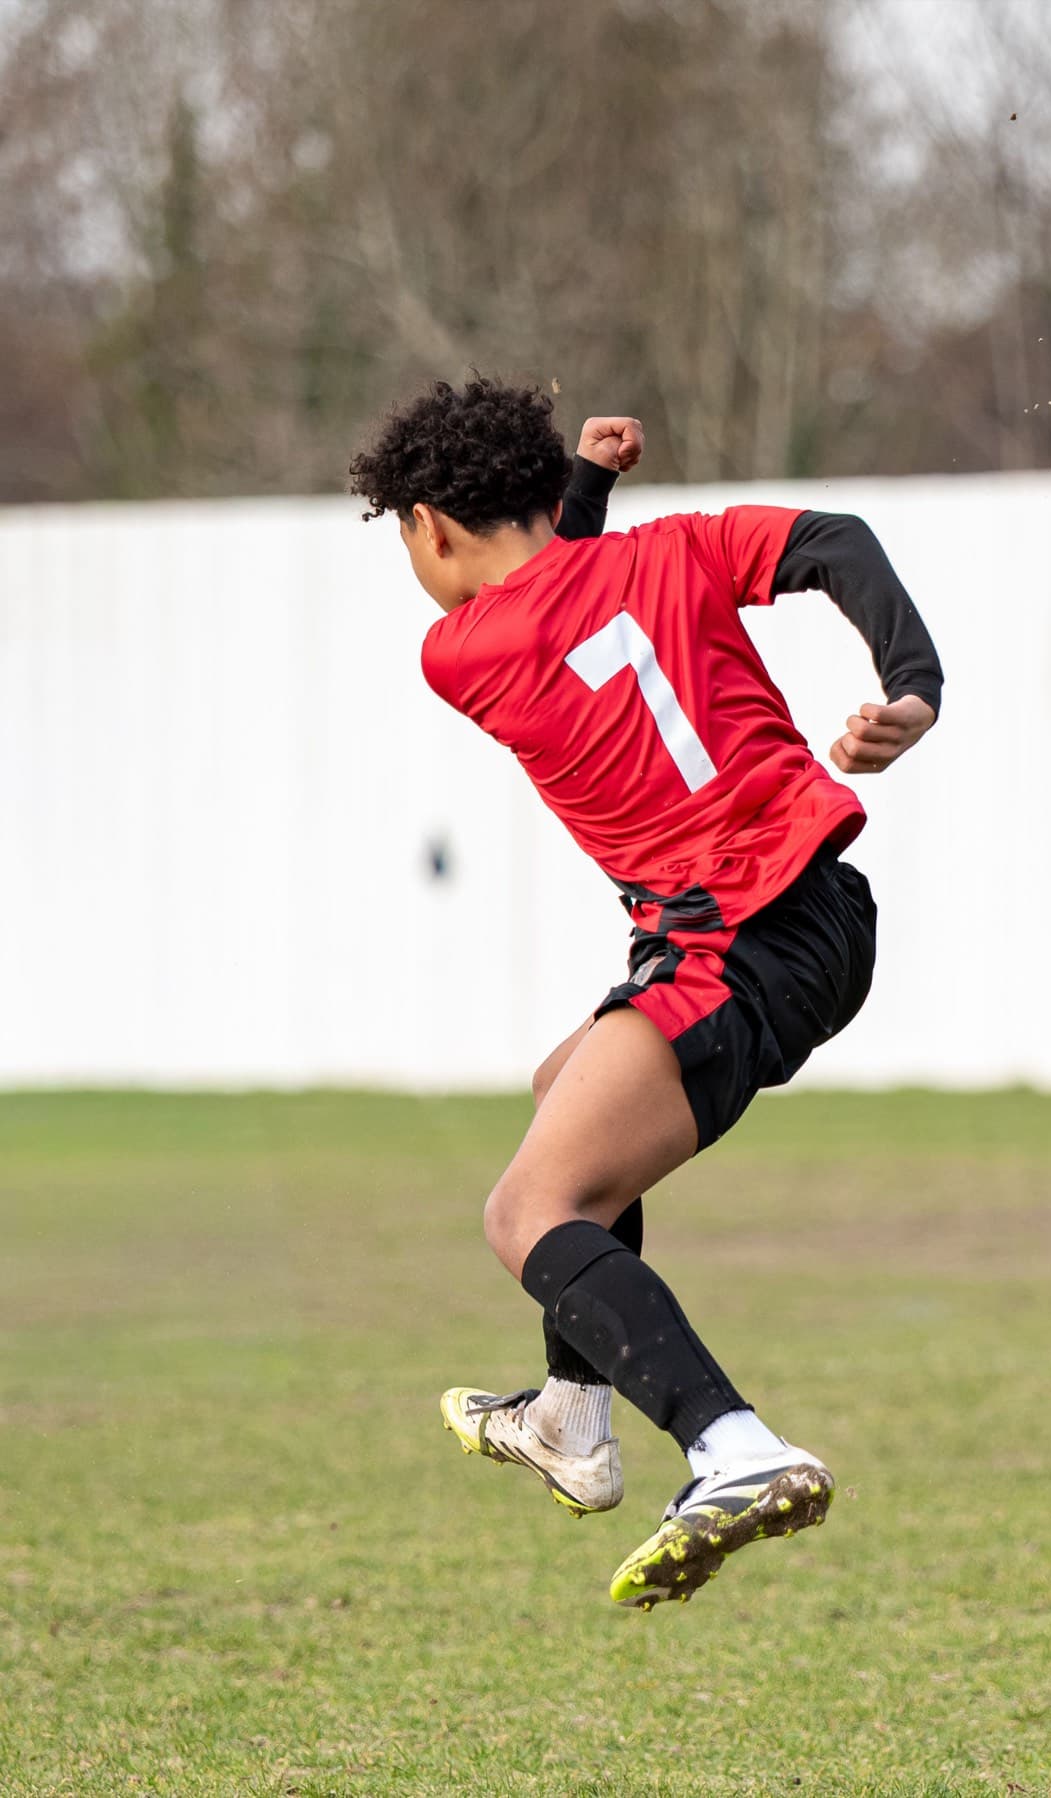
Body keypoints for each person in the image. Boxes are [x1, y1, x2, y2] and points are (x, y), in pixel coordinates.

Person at [349, 378, 943, 1609]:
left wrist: (587, 492)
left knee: (527, 1212)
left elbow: (546, 596)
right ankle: (573, 1411)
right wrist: (912, 688)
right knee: (565, 1083)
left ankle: (735, 1448)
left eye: (408, 540)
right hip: (819, 915)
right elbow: (837, 543)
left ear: (433, 527)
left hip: (728, 939)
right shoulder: (675, 555)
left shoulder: (455, 652)